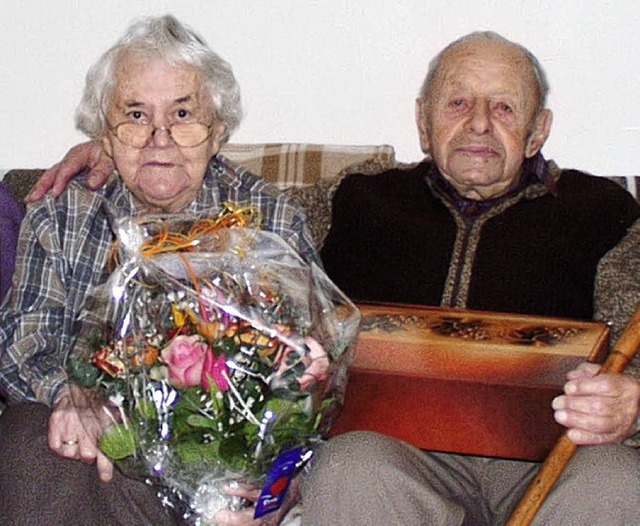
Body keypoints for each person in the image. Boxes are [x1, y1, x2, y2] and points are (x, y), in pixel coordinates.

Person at [23, 31, 640, 524]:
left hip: (550, 454)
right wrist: (117, 144)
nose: (478, 123)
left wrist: (634, 402)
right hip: (398, 452)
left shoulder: (607, 212)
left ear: (538, 129)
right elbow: (206, 198)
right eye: (458, 103)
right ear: (423, 121)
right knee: (351, 467)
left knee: (617, 482)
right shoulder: (354, 196)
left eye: (504, 107)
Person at [0, 15, 316, 526]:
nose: (159, 138)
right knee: (30, 442)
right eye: (136, 115)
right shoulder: (62, 212)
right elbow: (23, 336)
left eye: (184, 114)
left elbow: (307, 372)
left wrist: (278, 471)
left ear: (217, 132)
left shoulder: (271, 220)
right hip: (87, 446)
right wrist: (70, 399)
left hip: (215, 449)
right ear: (106, 132)